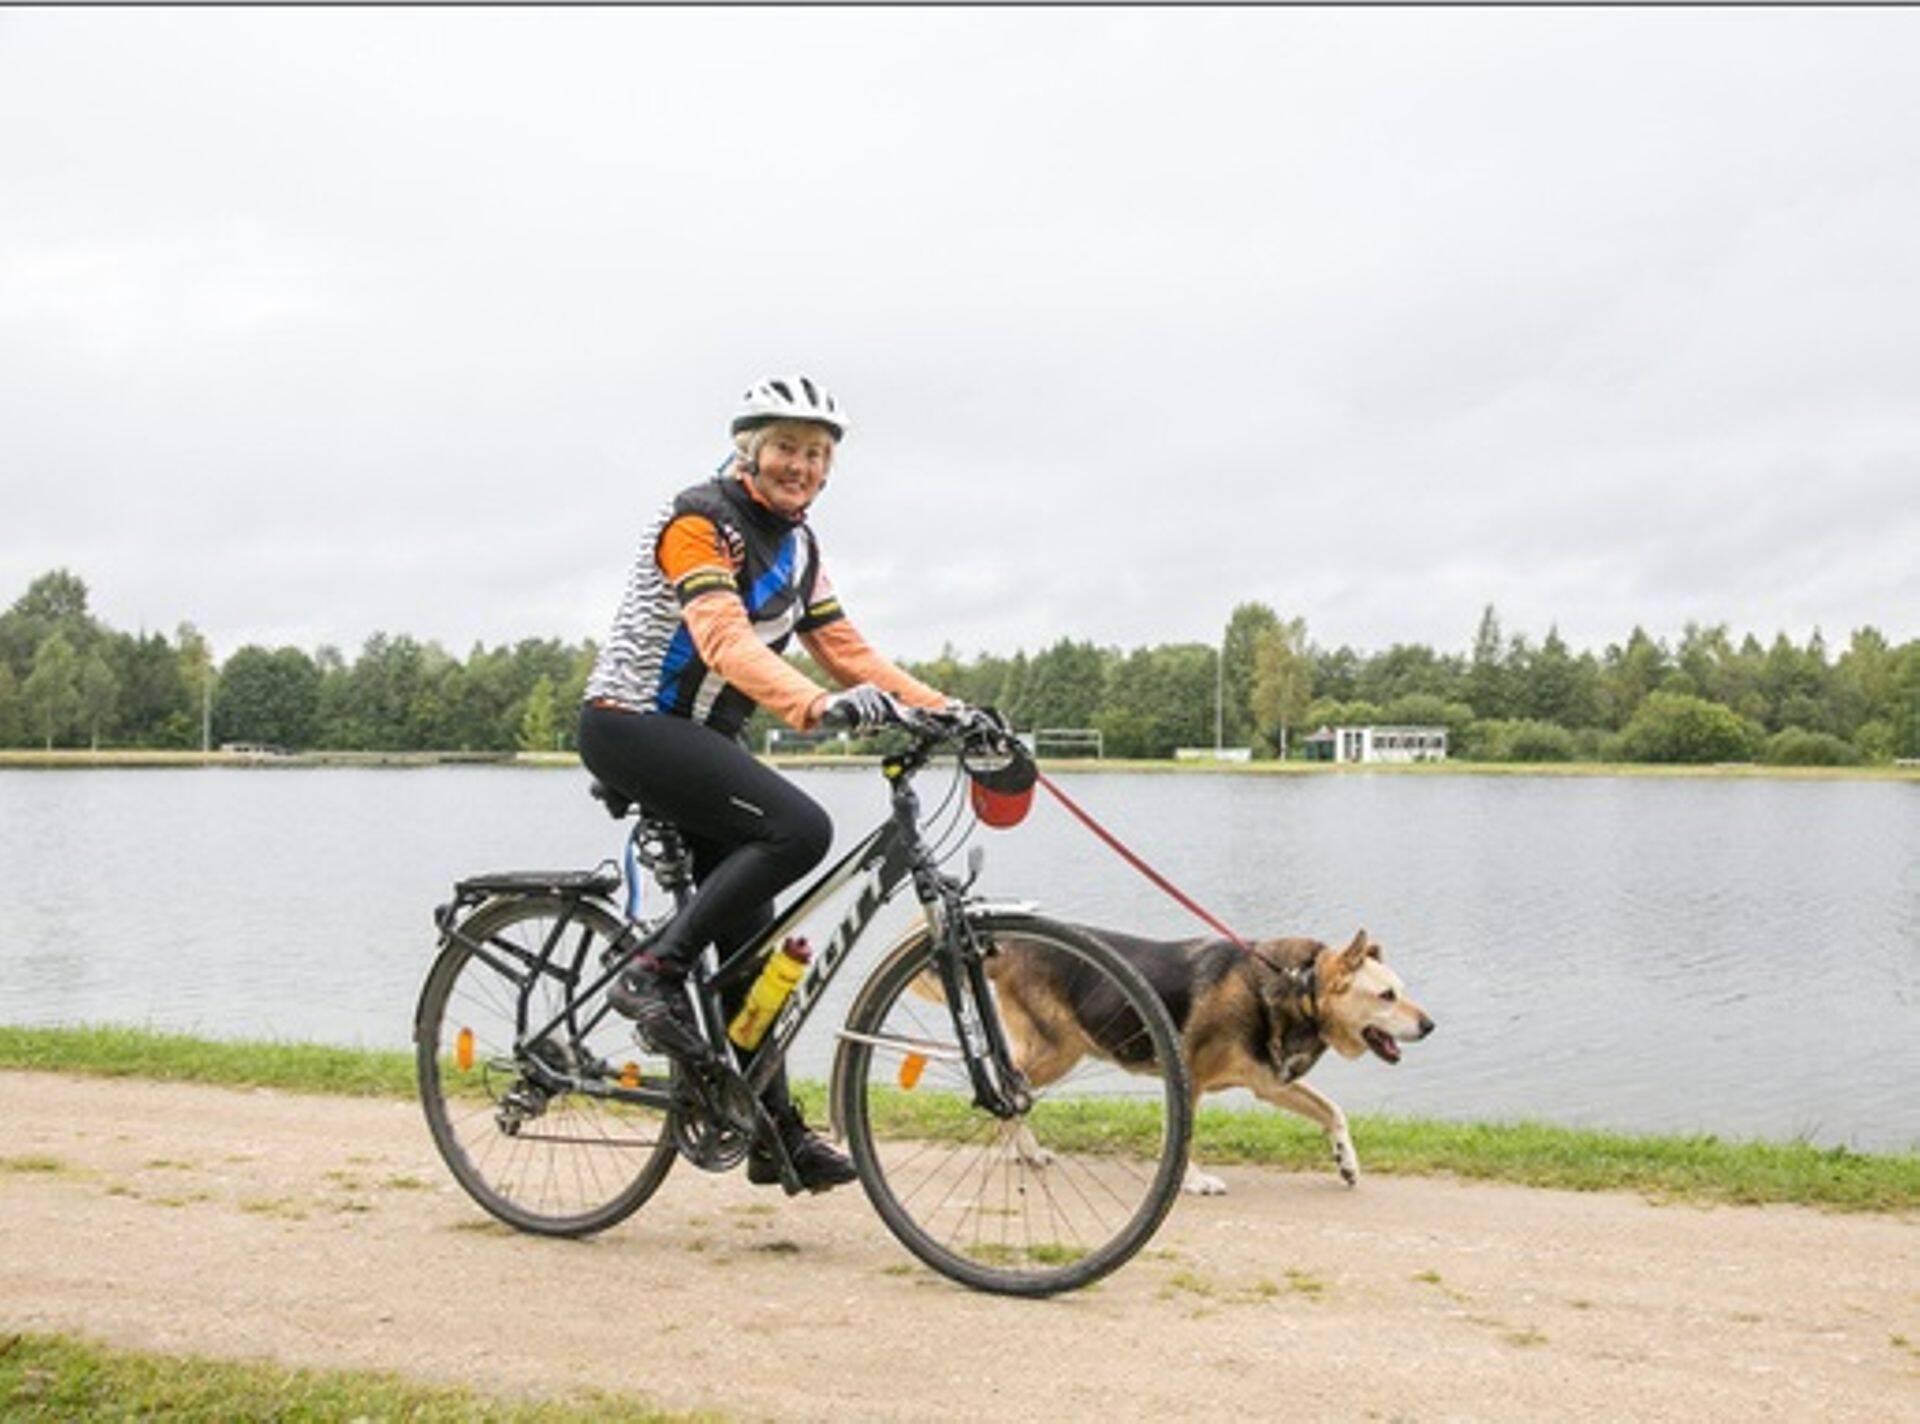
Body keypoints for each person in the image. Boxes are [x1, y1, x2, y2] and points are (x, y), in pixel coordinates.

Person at [577, 375, 951, 1191]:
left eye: (817, 454)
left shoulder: (801, 549)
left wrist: (948, 711)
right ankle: (651, 972)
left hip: (704, 741)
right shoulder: (698, 522)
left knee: (753, 952)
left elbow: (847, 649)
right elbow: (723, 640)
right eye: (786, 447)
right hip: (631, 725)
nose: (802, 466)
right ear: (749, 451)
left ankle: (770, 1130)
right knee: (801, 830)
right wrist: (815, 705)